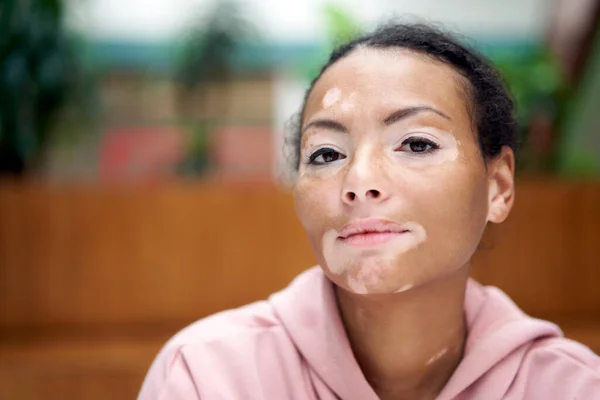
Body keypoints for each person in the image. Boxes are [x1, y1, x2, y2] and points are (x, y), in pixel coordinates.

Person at [138, 23, 600, 399]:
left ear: (498, 187)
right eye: (326, 155)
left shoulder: (572, 387)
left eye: (417, 143)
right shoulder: (207, 377)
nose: (359, 182)